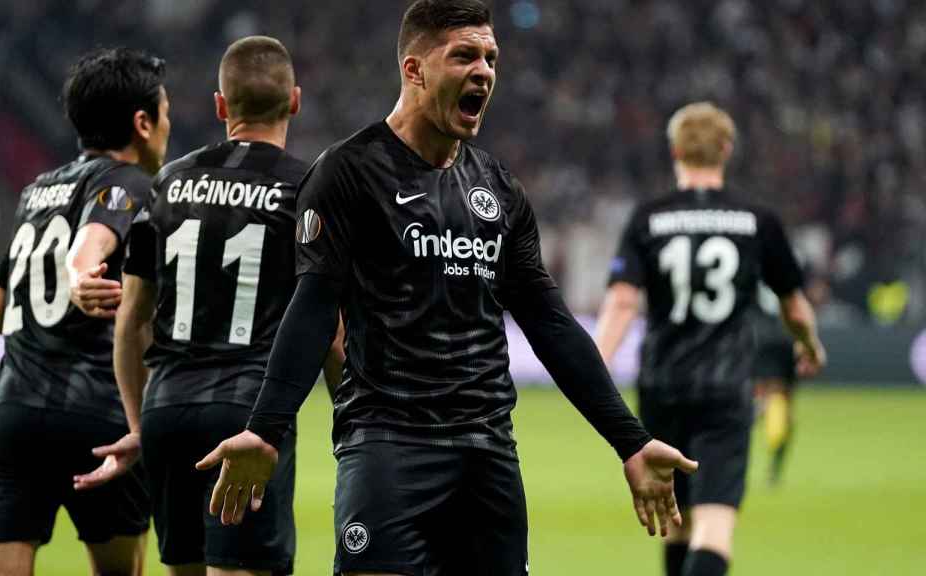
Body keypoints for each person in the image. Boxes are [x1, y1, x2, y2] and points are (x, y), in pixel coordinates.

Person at [196, 2, 698, 575]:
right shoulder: (348, 173)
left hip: (488, 457)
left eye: (490, 57)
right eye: (463, 55)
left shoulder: (498, 188)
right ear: (414, 70)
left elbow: (550, 323)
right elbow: (312, 308)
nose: (484, 70)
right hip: (388, 447)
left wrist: (629, 440)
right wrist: (265, 430)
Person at [71, 36, 344, 576]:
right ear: (294, 100)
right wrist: (355, 426)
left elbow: (132, 322)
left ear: (221, 106)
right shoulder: (307, 189)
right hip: (247, 416)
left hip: (167, 412)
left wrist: (139, 424)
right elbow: (330, 331)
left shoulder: (168, 183)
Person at [594, 101, 826, 576]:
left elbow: (621, 303)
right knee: (713, 527)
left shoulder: (648, 218)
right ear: (727, 149)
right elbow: (794, 305)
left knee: (675, 522)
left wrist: (594, 367)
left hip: (660, 387)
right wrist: (809, 345)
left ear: (675, 150)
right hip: (725, 389)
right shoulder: (756, 221)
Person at [0, 47, 170, 576]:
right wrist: (82, 278)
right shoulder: (130, 182)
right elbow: (89, 247)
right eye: (165, 112)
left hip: (13, 412)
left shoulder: (36, 190)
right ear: (142, 123)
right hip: (98, 413)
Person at [751, 284, 799, 486]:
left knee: (750, 419)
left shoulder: (755, 326)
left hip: (762, 387)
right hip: (775, 388)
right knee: (785, 424)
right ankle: (774, 470)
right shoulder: (787, 330)